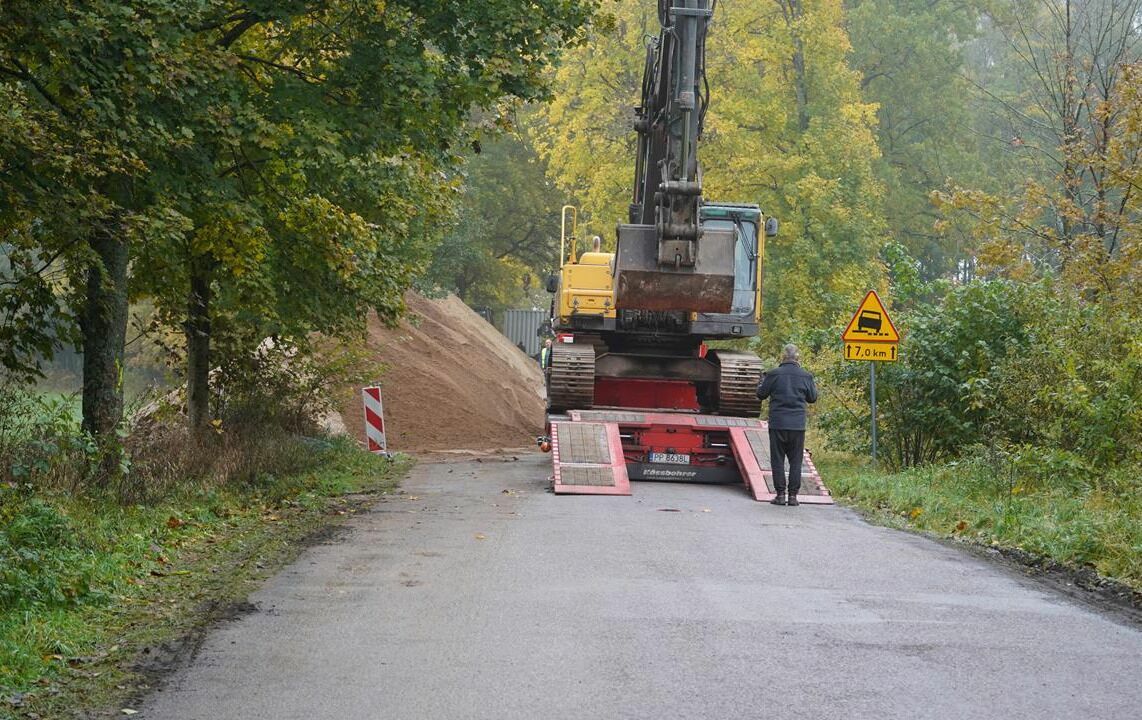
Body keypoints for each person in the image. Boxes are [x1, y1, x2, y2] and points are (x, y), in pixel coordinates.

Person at [755, 343, 818, 506]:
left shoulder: (774, 374)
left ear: (783, 357)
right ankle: (793, 497)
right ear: (798, 358)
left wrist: (761, 381)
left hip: (778, 424)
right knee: (796, 461)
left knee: (778, 460)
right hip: (797, 425)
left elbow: (761, 394)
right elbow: (812, 398)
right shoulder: (806, 376)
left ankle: (780, 495)